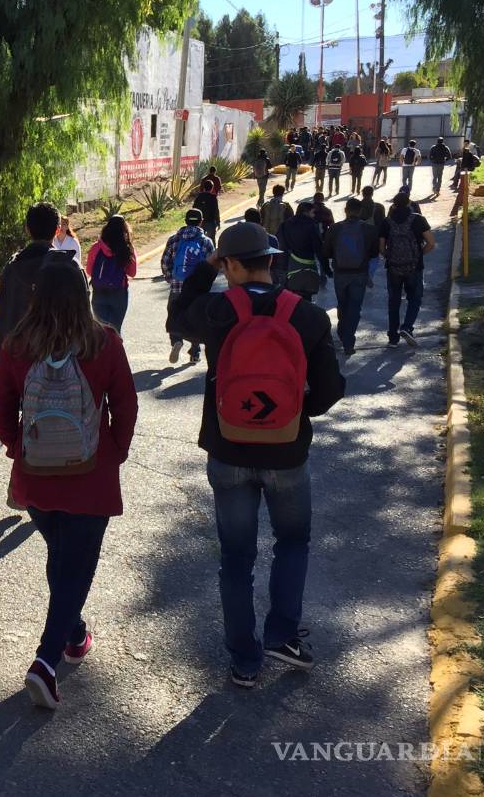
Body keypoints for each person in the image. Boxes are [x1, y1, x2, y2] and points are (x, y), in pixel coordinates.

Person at [167, 221, 345, 689]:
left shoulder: (216, 311)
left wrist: (206, 271)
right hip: (287, 453)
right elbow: (330, 390)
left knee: (236, 557)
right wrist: (293, 413)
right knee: (292, 542)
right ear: (271, 260)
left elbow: (177, 315)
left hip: (227, 451)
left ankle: (244, 660)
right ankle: (281, 635)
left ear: (228, 264)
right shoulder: (306, 315)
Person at [0, 260, 138, 709]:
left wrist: (20, 449)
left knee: (62, 558)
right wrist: (113, 451)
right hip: (90, 475)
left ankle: (74, 634)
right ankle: (45, 663)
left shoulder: (17, 345)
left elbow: (1, 411)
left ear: (36, 295)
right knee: (75, 567)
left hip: (37, 476)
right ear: (84, 293)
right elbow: (126, 406)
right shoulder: (104, 341)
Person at [0, 201, 69, 345]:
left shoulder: (12, 268)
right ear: (57, 230)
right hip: (61, 354)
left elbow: (5, 315)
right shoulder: (70, 266)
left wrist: (3, 355)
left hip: (21, 354)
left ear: (27, 229)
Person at [379, 188, 436, 348]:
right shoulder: (418, 219)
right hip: (414, 267)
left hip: (393, 268)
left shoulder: (386, 221)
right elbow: (431, 243)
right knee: (415, 299)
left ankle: (392, 338)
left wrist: (389, 257)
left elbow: (381, 247)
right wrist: (418, 255)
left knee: (394, 302)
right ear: (409, 203)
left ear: (394, 205)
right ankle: (407, 327)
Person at [322, 198, 379, 356]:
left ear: (345, 210)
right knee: (355, 307)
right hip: (359, 274)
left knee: (342, 304)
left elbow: (325, 252)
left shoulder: (334, 229)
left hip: (340, 273)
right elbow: (374, 253)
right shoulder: (370, 229)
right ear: (360, 211)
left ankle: (342, 332)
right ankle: (348, 341)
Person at [161, 207, 214, 363]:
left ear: (185, 221)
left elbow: (165, 262)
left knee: (174, 316)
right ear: (201, 222)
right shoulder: (206, 241)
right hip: (197, 290)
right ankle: (194, 352)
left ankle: (176, 340)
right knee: (196, 318)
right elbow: (211, 265)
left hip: (177, 286)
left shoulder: (174, 239)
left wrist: (172, 279)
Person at [86, 215, 138, 330]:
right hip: (119, 293)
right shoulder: (127, 248)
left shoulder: (96, 247)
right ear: (124, 230)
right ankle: (117, 347)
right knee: (115, 330)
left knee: (101, 331)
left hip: (99, 293)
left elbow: (89, 271)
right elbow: (132, 273)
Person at [277, 201, 324, 301]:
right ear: (306, 212)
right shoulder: (312, 226)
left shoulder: (285, 224)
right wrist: (326, 269)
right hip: (307, 268)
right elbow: (318, 248)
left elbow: (280, 246)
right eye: (312, 212)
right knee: (306, 299)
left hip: (288, 268)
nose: (314, 215)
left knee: (290, 299)